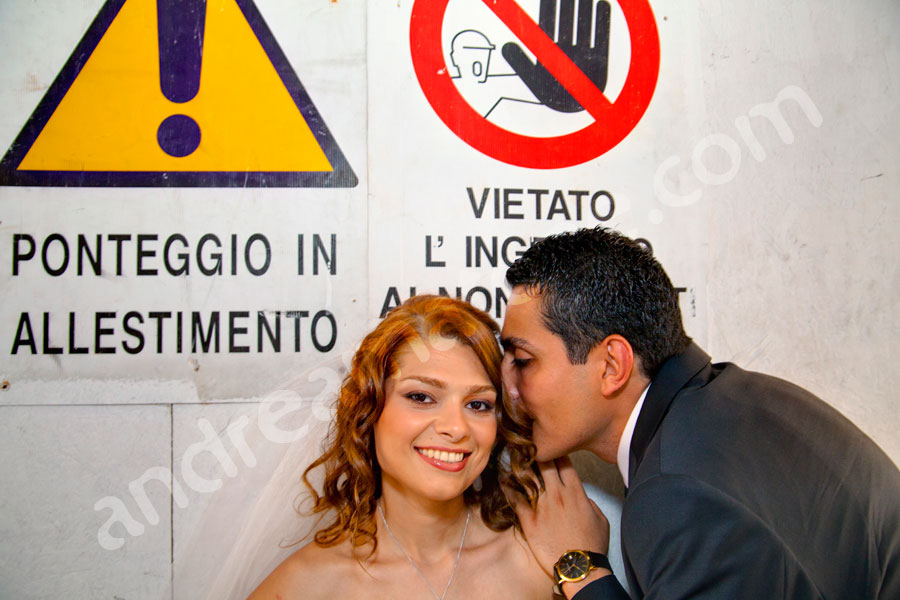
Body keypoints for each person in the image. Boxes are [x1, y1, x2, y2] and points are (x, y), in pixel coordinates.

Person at [499, 226, 900, 599]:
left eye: (522, 359)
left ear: (611, 366)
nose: (507, 388)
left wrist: (582, 570)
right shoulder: (738, 397)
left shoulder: (675, 492)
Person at [248, 295, 552, 599]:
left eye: (478, 404)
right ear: (369, 411)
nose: (457, 427)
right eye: (421, 397)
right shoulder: (304, 586)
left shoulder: (542, 563)